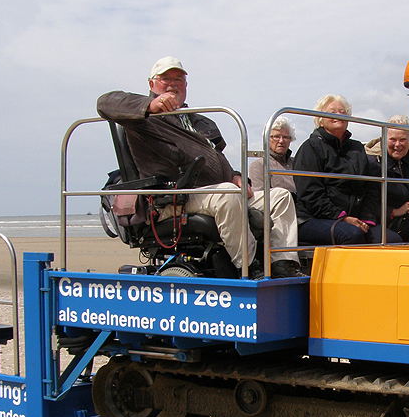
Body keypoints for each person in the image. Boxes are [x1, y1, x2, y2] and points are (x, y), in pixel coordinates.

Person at [97, 56, 304, 279]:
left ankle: (283, 263)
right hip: (176, 198)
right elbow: (104, 102)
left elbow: (217, 159)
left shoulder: (198, 121)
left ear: (186, 85)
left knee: (281, 196)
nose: (172, 83)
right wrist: (149, 105)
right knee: (227, 193)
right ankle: (250, 267)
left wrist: (236, 175)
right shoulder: (141, 118)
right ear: (151, 84)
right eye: (165, 78)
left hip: (214, 191)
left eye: (178, 79)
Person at [293, 95, 401, 245]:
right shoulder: (310, 148)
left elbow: (371, 188)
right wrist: (342, 217)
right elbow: (310, 193)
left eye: (342, 112)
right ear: (320, 119)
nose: (338, 115)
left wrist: (366, 219)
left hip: (355, 218)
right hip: (314, 218)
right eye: (332, 112)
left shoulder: (356, 148)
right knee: (351, 235)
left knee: (392, 240)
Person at [249, 116, 297, 197]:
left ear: (290, 140)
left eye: (285, 137)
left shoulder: (297, 163)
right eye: (276, 137)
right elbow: (259, 199)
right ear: (267, 139)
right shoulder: (259, 165)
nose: (281, 141)